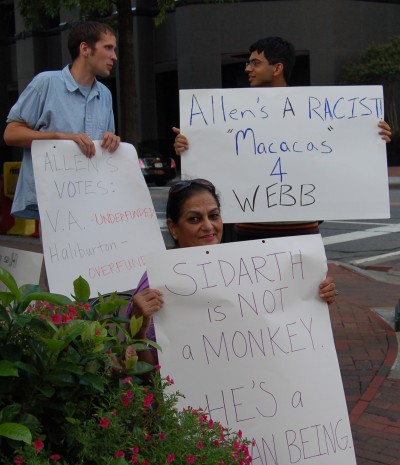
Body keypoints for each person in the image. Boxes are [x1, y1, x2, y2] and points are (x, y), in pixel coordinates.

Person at [172, 36, 392, 240]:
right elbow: (215, 161)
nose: (248, 69)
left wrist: (373, 136)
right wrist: (188, 147)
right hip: (247, 231)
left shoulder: (312, 111)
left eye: (255, 63)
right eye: (248, 63)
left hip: (302, 230)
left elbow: (342, 151)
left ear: (277, 68)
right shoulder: (229, 113)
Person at [129, 178, 338, 365]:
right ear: (173, 228)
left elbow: (284, 323)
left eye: (214, 216)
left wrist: (314, 295)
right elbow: (145, 374)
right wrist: (137, 328)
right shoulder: (156, 283)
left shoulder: (246, 269)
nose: (208, 226)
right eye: (194, 219)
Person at [3, 21, 120, 220]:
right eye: (108, 47)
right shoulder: (46, 83)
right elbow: (11, 133)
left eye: (114, 49)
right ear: (84, 48)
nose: (114, 56)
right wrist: (58, 137)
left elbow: (104, 151)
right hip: (53, 205)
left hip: (93, 201)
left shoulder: (105, 94)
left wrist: (112, 140)